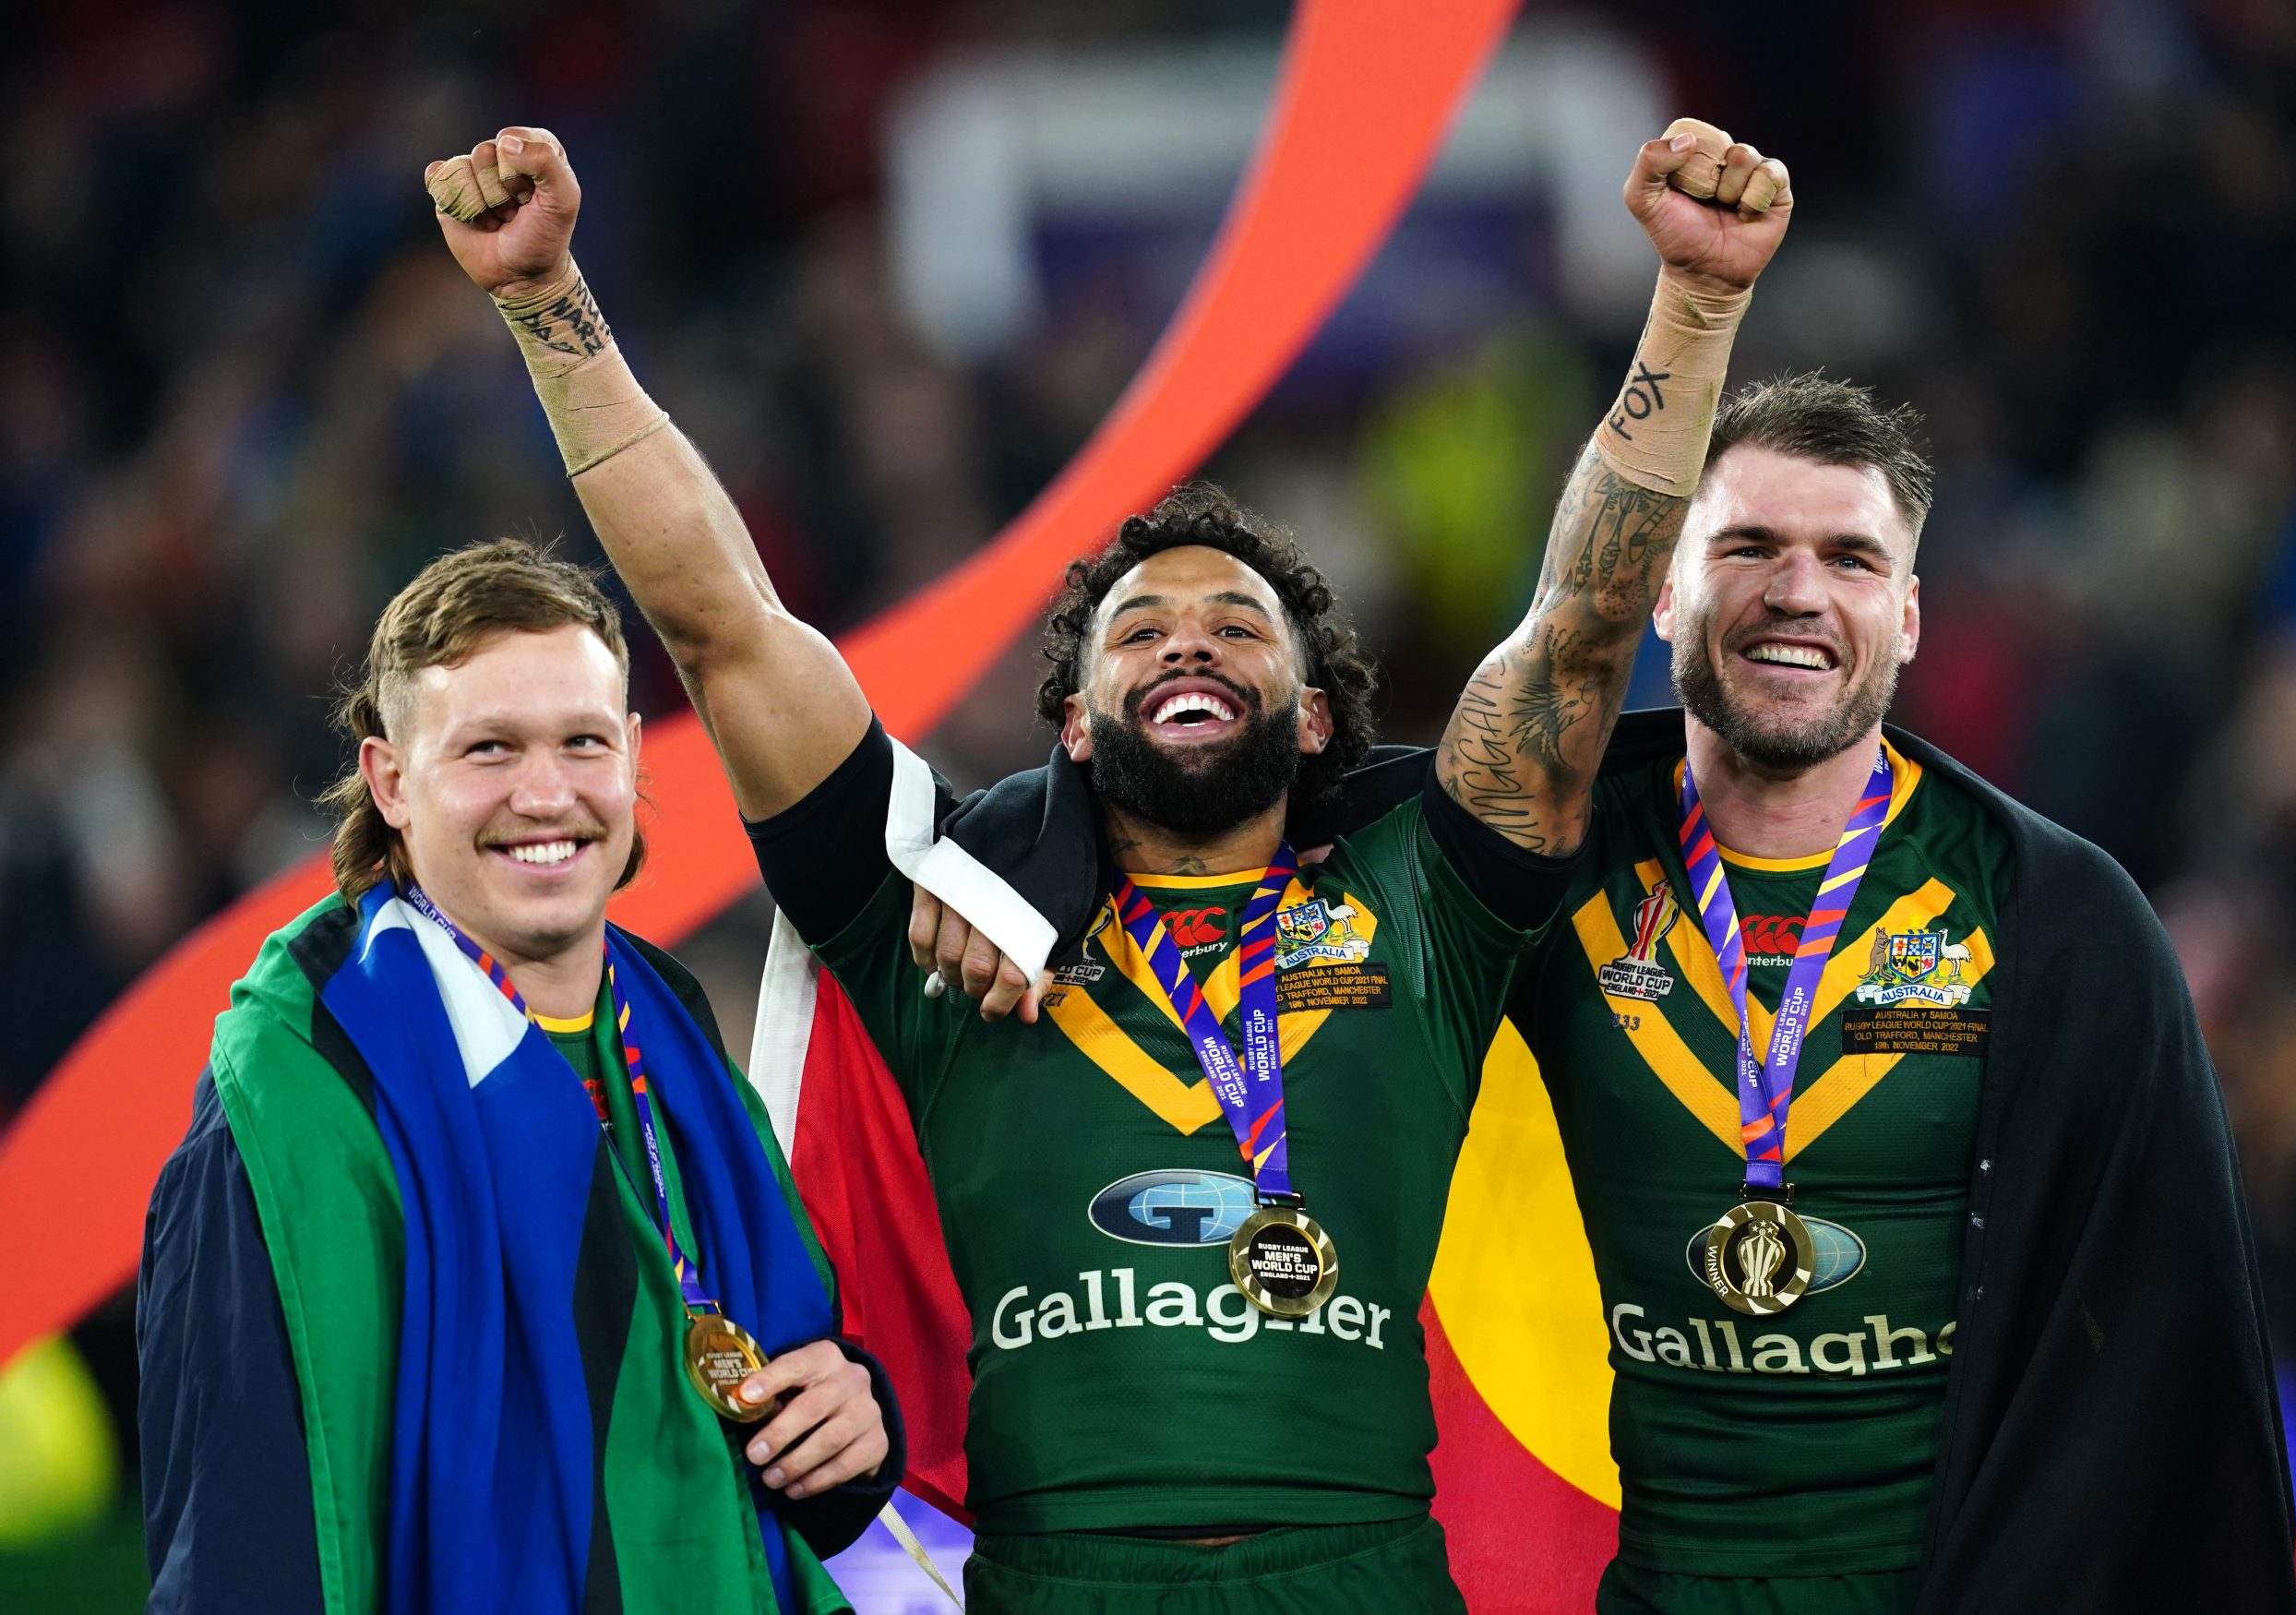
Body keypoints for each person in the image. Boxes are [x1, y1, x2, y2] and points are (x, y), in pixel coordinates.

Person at [418, 116, 1789, 1611]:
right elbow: (723, 624)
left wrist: (1697, 304)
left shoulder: (1428, 908)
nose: (1188, 637)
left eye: (1235, 625)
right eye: (1140, 630)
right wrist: (549, 300)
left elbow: (1583, 622)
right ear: (1073, 722)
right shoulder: (937, 923)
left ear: (1318, 708)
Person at [929, 374, 2296, 1612]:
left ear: (1909, 610)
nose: (1797, 592)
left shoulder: (2054, 913)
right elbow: (1208, 785)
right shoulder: (1544, 855)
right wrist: (1018, 847)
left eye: (1850, 557)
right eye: (1748, 547)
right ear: (1664, 591)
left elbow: (2177, 1351)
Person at [137, 541, 903, 1615]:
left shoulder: (665, 1025)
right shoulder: (297, 1086)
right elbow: (239, 1541)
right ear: (391, 781)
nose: (546, 795)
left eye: (582, 743)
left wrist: (853, 1418)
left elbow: (783, 1424)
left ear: (636, 759)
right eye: (489, 749)